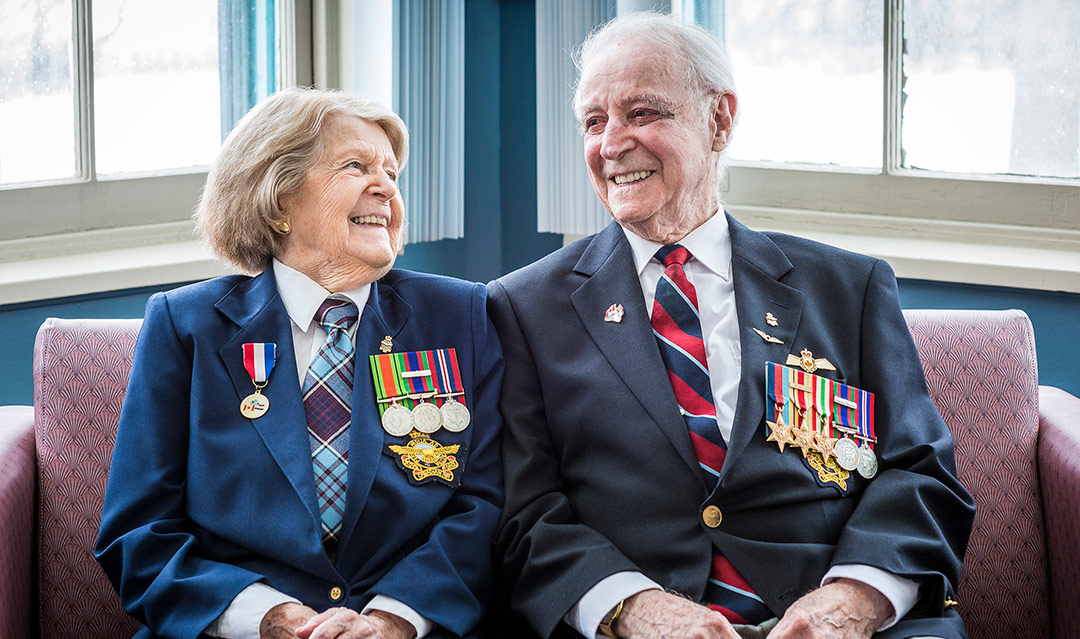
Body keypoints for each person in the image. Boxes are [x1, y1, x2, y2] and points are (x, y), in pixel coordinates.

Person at [488, 13, 973, 639]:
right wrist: (634, 609)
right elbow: (524, 513)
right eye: (594, 121)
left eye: (642, 113)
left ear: (719, 119)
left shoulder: (847, 289)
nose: (611, 144)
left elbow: (920, 472)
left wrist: (853, 601)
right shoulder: (524, 308)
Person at [95, 87, 504, 639]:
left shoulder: (459, 315)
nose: (386, 187)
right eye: (356, 166)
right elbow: (139, 532)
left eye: (391, 172)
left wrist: (393, 619)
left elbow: (484, 506)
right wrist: (267, 617)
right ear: (278, 197)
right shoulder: (185, 326)